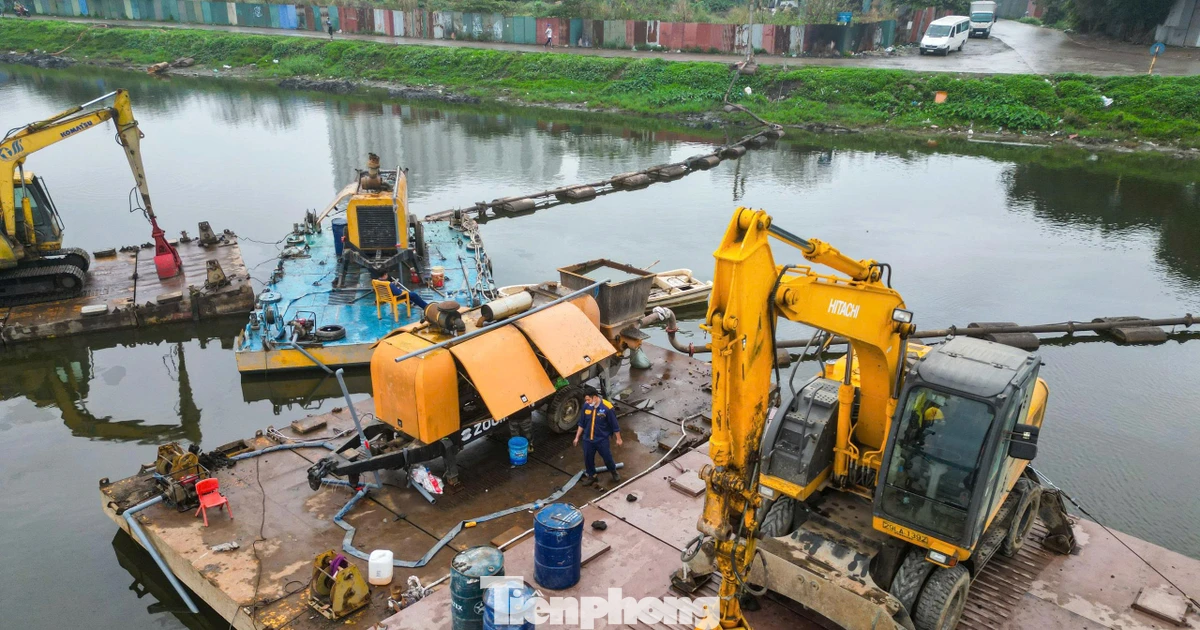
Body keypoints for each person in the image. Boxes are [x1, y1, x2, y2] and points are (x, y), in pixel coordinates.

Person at [574, 385, 622, 485]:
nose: (587, 402)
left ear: (595, 397)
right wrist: (577, 437)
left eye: (588, 400)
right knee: (588, 459)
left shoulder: (607, 408)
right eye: (586, 400)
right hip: (588, 439)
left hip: (602, 440)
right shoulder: (586, 406)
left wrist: (618, 439)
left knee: (607, 458)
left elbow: (614, 425)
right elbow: (581, 423)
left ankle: (613, 472)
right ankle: (592, 476)